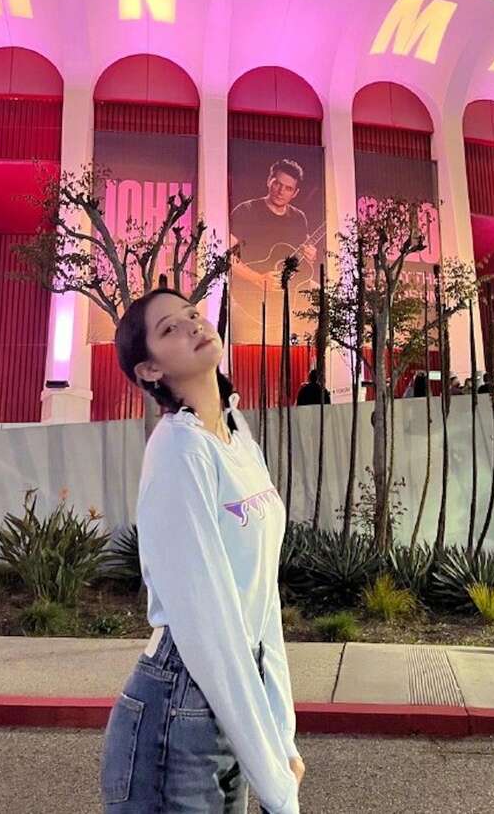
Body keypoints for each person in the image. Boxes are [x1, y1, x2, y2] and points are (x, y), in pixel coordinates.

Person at [103, 287, 304, 813]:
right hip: (178, 711)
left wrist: (280, 734)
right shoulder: (178, 450)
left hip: (232, 694)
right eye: (169, 328)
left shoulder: (237, 439)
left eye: (192, 314)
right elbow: (207, 623)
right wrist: (275, 781)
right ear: (150, 369)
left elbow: (262, 600)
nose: (193, 324)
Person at [229, 160, 319, 343]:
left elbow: (303, 253)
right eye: (277, 183)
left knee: (325, 297)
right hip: (247, 293)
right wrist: (258, 278)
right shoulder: (246, 210)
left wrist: (311, 255)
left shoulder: (299, 217)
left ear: (295, 193)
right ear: (269, 180)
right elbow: (225, 256)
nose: (280, 191)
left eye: (288, 188)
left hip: (286, 296)